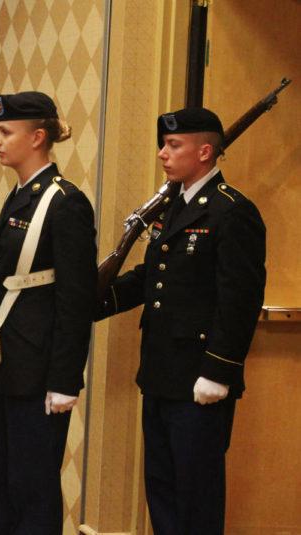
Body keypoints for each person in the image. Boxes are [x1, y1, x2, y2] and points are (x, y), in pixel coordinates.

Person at [97, 107, 266, 534]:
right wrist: (92, 302)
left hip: (198, 381)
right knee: (163, 489)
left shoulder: (231, 212)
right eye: (163, 145)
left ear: (205, 151)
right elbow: (151, 278)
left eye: (173, 145)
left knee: (197, 497)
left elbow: (239, 300)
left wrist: (218, 371)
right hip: (159, 373)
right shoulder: (172, 206)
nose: (162, 154)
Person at [0, 92, 96, 534]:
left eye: (6, 132)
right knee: (3, 486)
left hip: (40, 372)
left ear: (38, 137)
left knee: (34, 489)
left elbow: (74, 300)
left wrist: (65, 380)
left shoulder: (65, 202)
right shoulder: (20, 197)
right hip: (6, 366)